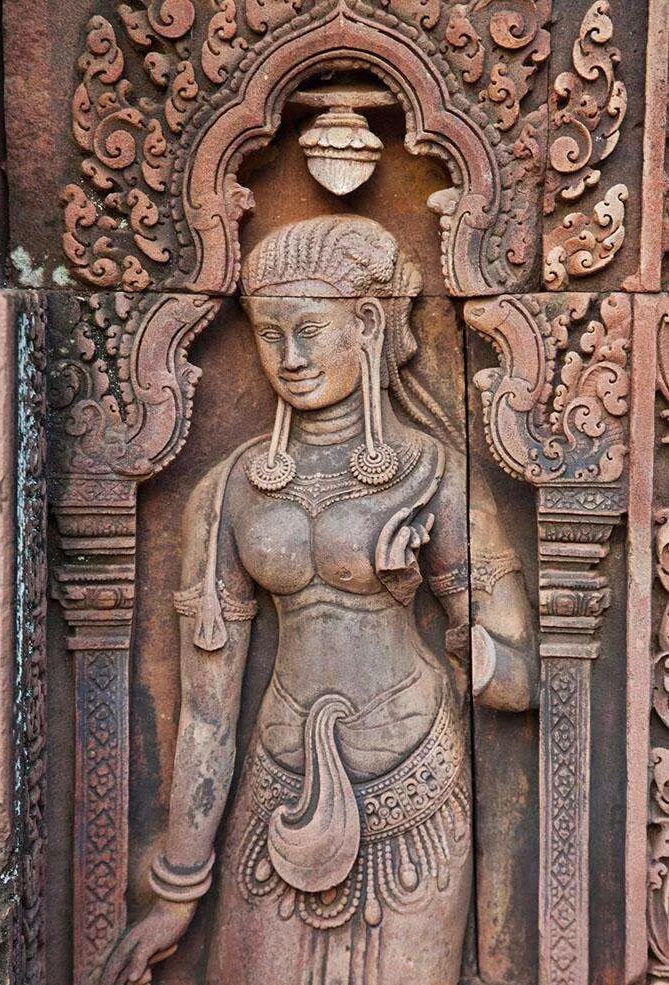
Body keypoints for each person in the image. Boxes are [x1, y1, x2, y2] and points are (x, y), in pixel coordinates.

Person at [101, 215, 536, 985]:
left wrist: (432, 608)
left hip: (415, 787)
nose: (289, 359)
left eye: (307, 330)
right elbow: (207, 712)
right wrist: (177, 889)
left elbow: (520, 681)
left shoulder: (433, 473)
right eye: (269, 336)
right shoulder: (227, 492)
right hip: (277, 786)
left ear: (366, 322)